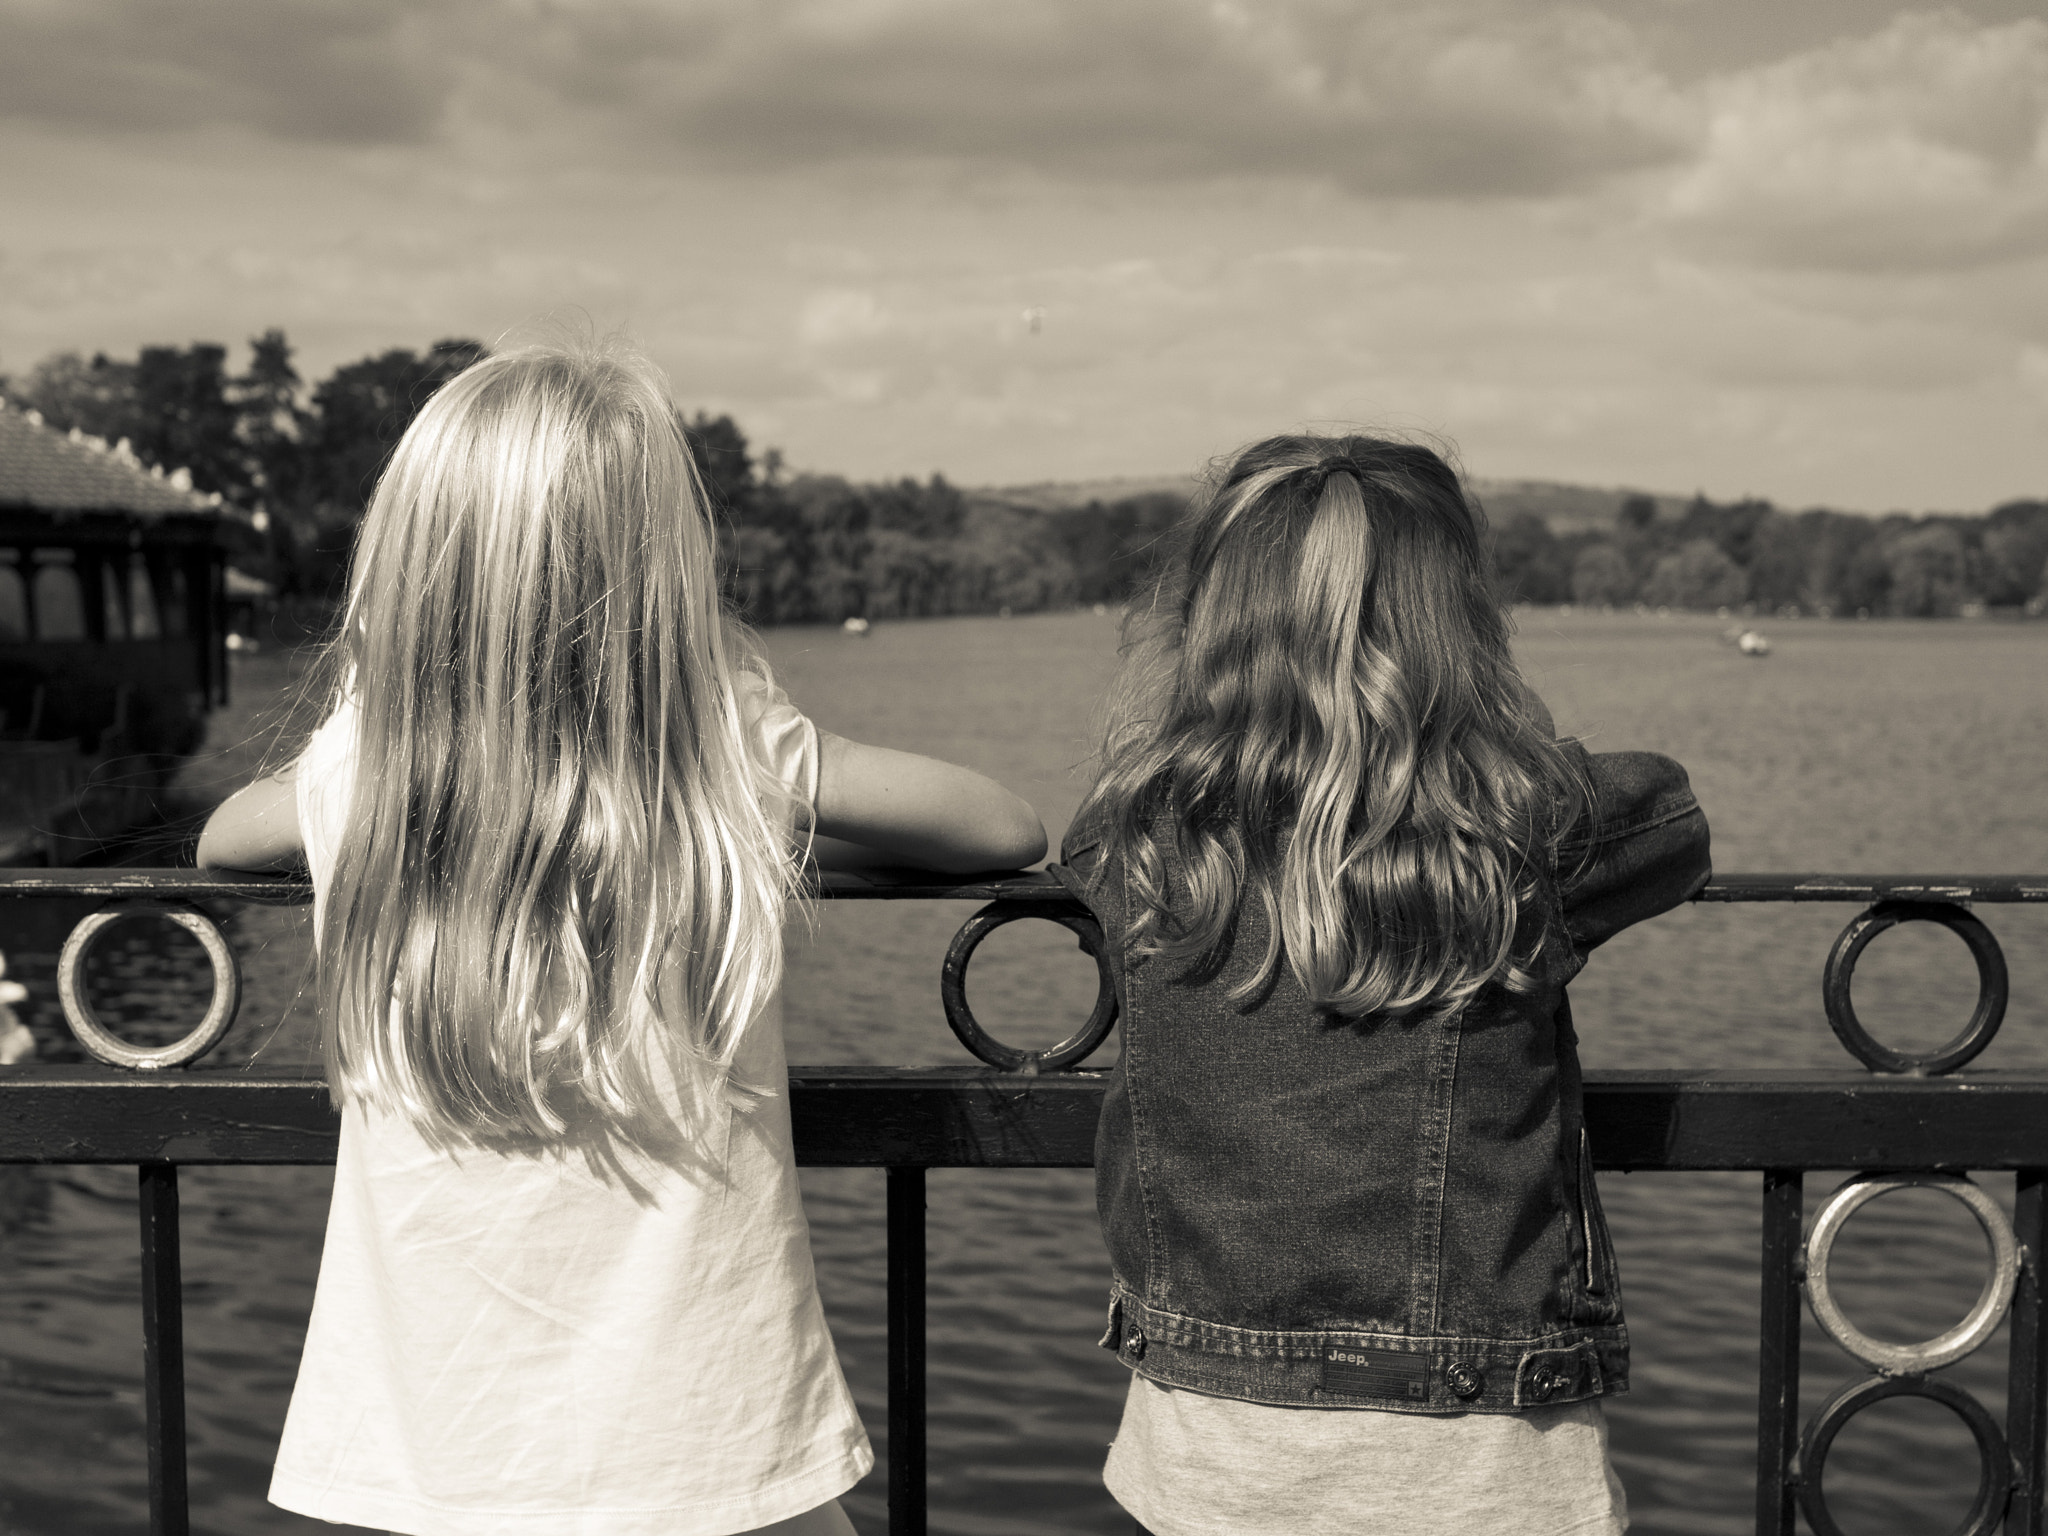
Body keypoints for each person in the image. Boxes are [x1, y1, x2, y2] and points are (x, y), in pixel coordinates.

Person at [197, 339, 1046, 1536]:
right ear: (657, 568)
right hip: (708, 1450)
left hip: (435, 1455)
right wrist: (765, 801)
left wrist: (387, 786)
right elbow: (1001, 828)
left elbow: (226, 841)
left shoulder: (369, 766)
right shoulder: (721, 746)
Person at [1053, 434, 1710, 1536]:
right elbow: (1672, 818)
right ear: (1453, 622)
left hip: (1207, 1455)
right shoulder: (1523, 829)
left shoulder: (1136, 842)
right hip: (1479, 1467)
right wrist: (1485, 737)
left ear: (1207, 619)